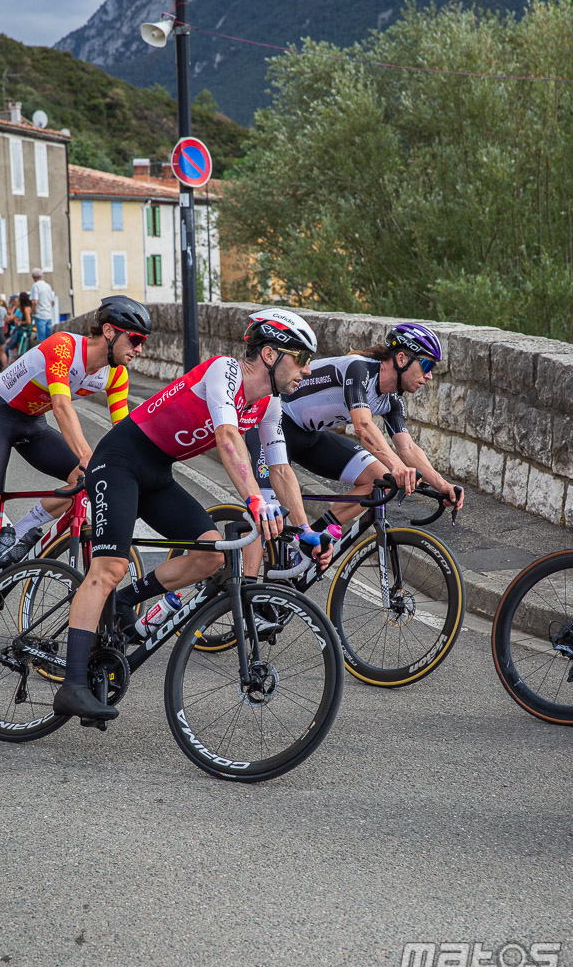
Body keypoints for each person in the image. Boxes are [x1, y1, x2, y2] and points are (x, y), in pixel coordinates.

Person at [52, 307, 335, 722]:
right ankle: (72, 685)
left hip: (157, 473)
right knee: (109, 566)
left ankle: (126, 602)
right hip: (119, 461)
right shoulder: (225, 371)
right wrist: (256, 501)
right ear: (272, 354)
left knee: (212, 557)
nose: (307, 371)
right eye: (302, 359)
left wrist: (305, 528)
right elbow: (226, 435)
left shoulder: (270, 404)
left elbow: (281, 468)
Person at [0, 295, 152, 631]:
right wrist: (89, 458)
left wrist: (139, 467)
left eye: (144, 342)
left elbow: (124, 430)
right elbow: (63, 407)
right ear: (110, 331)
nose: (140, 349)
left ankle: (19, 532)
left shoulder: (116, 375)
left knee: (81, 480)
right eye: (136, 339)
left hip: (32, 423)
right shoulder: (64, 347)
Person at [244, 323, 464, 552]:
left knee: (380, 477)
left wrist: (443, 485)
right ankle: (245, 584)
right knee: (268, 516)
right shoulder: (359, 369)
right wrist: (398, 466)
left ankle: (310, 543)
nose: (429, 376)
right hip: (271, 424)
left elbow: (407, 447)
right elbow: (363, 425)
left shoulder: (392, 400)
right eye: (426, 364)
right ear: (401, 359)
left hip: (308, 436)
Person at [30, 268, 55, 342]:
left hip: (40, 315)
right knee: (49, 339)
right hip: (48, 315)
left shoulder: (35, 286)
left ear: (33, 277)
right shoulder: (48, 286)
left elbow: (35, 302)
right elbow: (52, 302)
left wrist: (34, 313)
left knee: (41, 340)